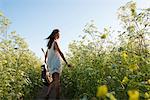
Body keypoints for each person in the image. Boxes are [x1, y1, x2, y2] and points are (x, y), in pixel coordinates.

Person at [45, 29, 71, 99]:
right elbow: (60, 52)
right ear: (55, 34)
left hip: (50, 64)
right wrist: (66, 62)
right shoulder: (55, 43)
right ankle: (57, 97)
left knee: (53, 81)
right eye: (58, 34)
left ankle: (47, 95)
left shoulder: (49, 44)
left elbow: (46, 54)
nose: (59, 35)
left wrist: (46, 62)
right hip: (55, 64)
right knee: (57, 82)